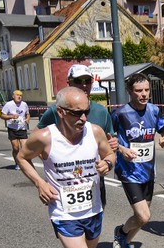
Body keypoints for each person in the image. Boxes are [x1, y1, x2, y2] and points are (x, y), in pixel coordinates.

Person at [18, 86, 115, 248]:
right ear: (60, 112)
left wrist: (109, 163)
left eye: (85, 112)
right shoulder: (44, 137)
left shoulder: (95, 132)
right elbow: (22, 157)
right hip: (63, 212)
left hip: (93, 209)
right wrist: (39, 183)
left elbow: (109, 153)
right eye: (76, 113)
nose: (83, 118)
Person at [38, 64, 118, 207]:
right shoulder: (56, 111)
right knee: (70, 226)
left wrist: (112, 150)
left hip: (94, 182)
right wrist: (42, 182)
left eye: (87, 81)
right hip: (64, 184)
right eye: (78, 81)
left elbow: (110, 142)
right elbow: (35, 141)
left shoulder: (101, 111)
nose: (84, 85)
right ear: (69, 83)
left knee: (94, 226)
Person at [111, 73, 164, 248]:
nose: (143, 94)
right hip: (129, 172)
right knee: (144, 216)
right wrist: (121, 148)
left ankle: (125, 241)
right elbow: (106, 139)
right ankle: (122, 233)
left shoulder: (153, 110)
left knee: (142, 216)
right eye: (138, 91)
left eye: (146, 90)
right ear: (129, 92)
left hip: (148, 171)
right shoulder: (120, 114)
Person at [0, 90, 30, 170]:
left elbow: (28, 114)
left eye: (20, 95)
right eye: (17, 95)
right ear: (13, 96)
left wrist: (27, 120)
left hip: (22, 128)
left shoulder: (24, 104)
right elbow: (2, 116)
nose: (19, 96)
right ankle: (17, 163)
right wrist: (11, 117)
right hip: (12, 128)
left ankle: (25, 163)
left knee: (25, 147)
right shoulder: (9, 104)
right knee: (16, 148)